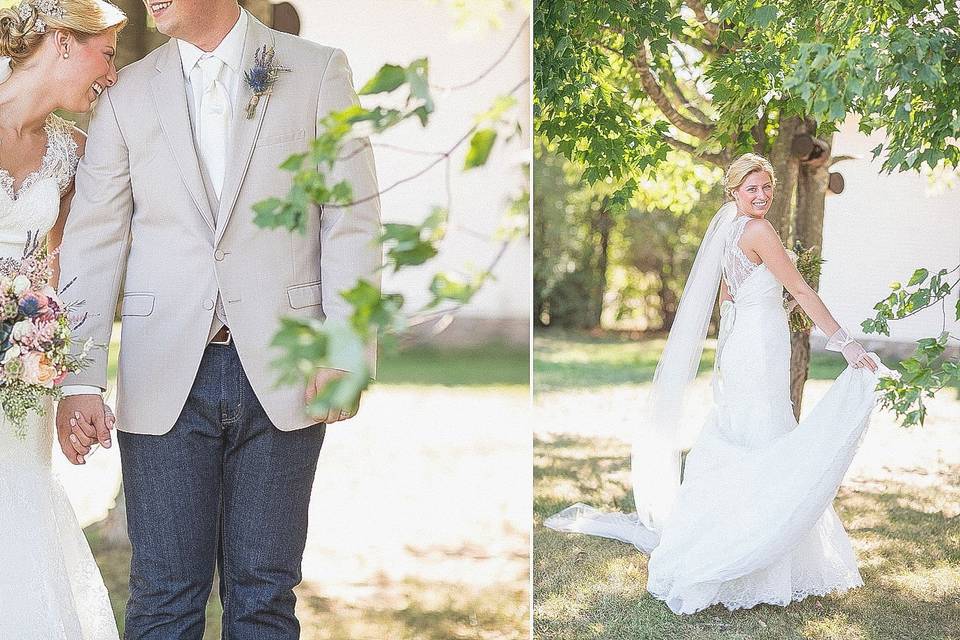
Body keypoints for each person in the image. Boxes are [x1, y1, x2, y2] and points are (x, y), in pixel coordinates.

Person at [55, 0, 382, 636]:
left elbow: (353, 218)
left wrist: (345, 349)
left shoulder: (317, 72)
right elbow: (93, 241)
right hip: (160, 372)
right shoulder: (128, 93)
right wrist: (79, 378)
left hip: (288, 371)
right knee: (162, 598)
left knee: (264, 594)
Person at [546, 153, 890, 614]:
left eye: (767, 188)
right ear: (734, 193)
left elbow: (734, 299)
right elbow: (803, 291)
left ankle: (743, 545)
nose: (762, 195)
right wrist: (846, 343)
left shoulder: (729, 232)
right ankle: (754, 554)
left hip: (745, 346)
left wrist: (771, 313)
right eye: (752, 189)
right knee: (766, 435)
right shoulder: (759, 231)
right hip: (761, 350)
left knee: (748, 434)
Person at [0, 0, 126, 637]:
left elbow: (67, 273)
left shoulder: (70, 155)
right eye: (105, 54)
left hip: (20, 377)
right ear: (61, 42)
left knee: (22, 503)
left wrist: (58, 356)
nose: (111, 73)